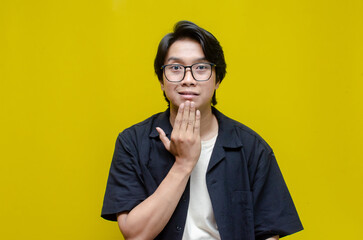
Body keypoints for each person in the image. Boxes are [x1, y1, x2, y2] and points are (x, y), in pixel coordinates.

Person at [101, 20, 303, 240]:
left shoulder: (252, 148)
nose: (188, 79)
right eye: (176, 68)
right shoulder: (132, 143)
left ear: (217, 79)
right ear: (161, 80)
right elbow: (135, 234)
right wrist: (183, 164)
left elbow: (268, 233)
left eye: (201, 68)